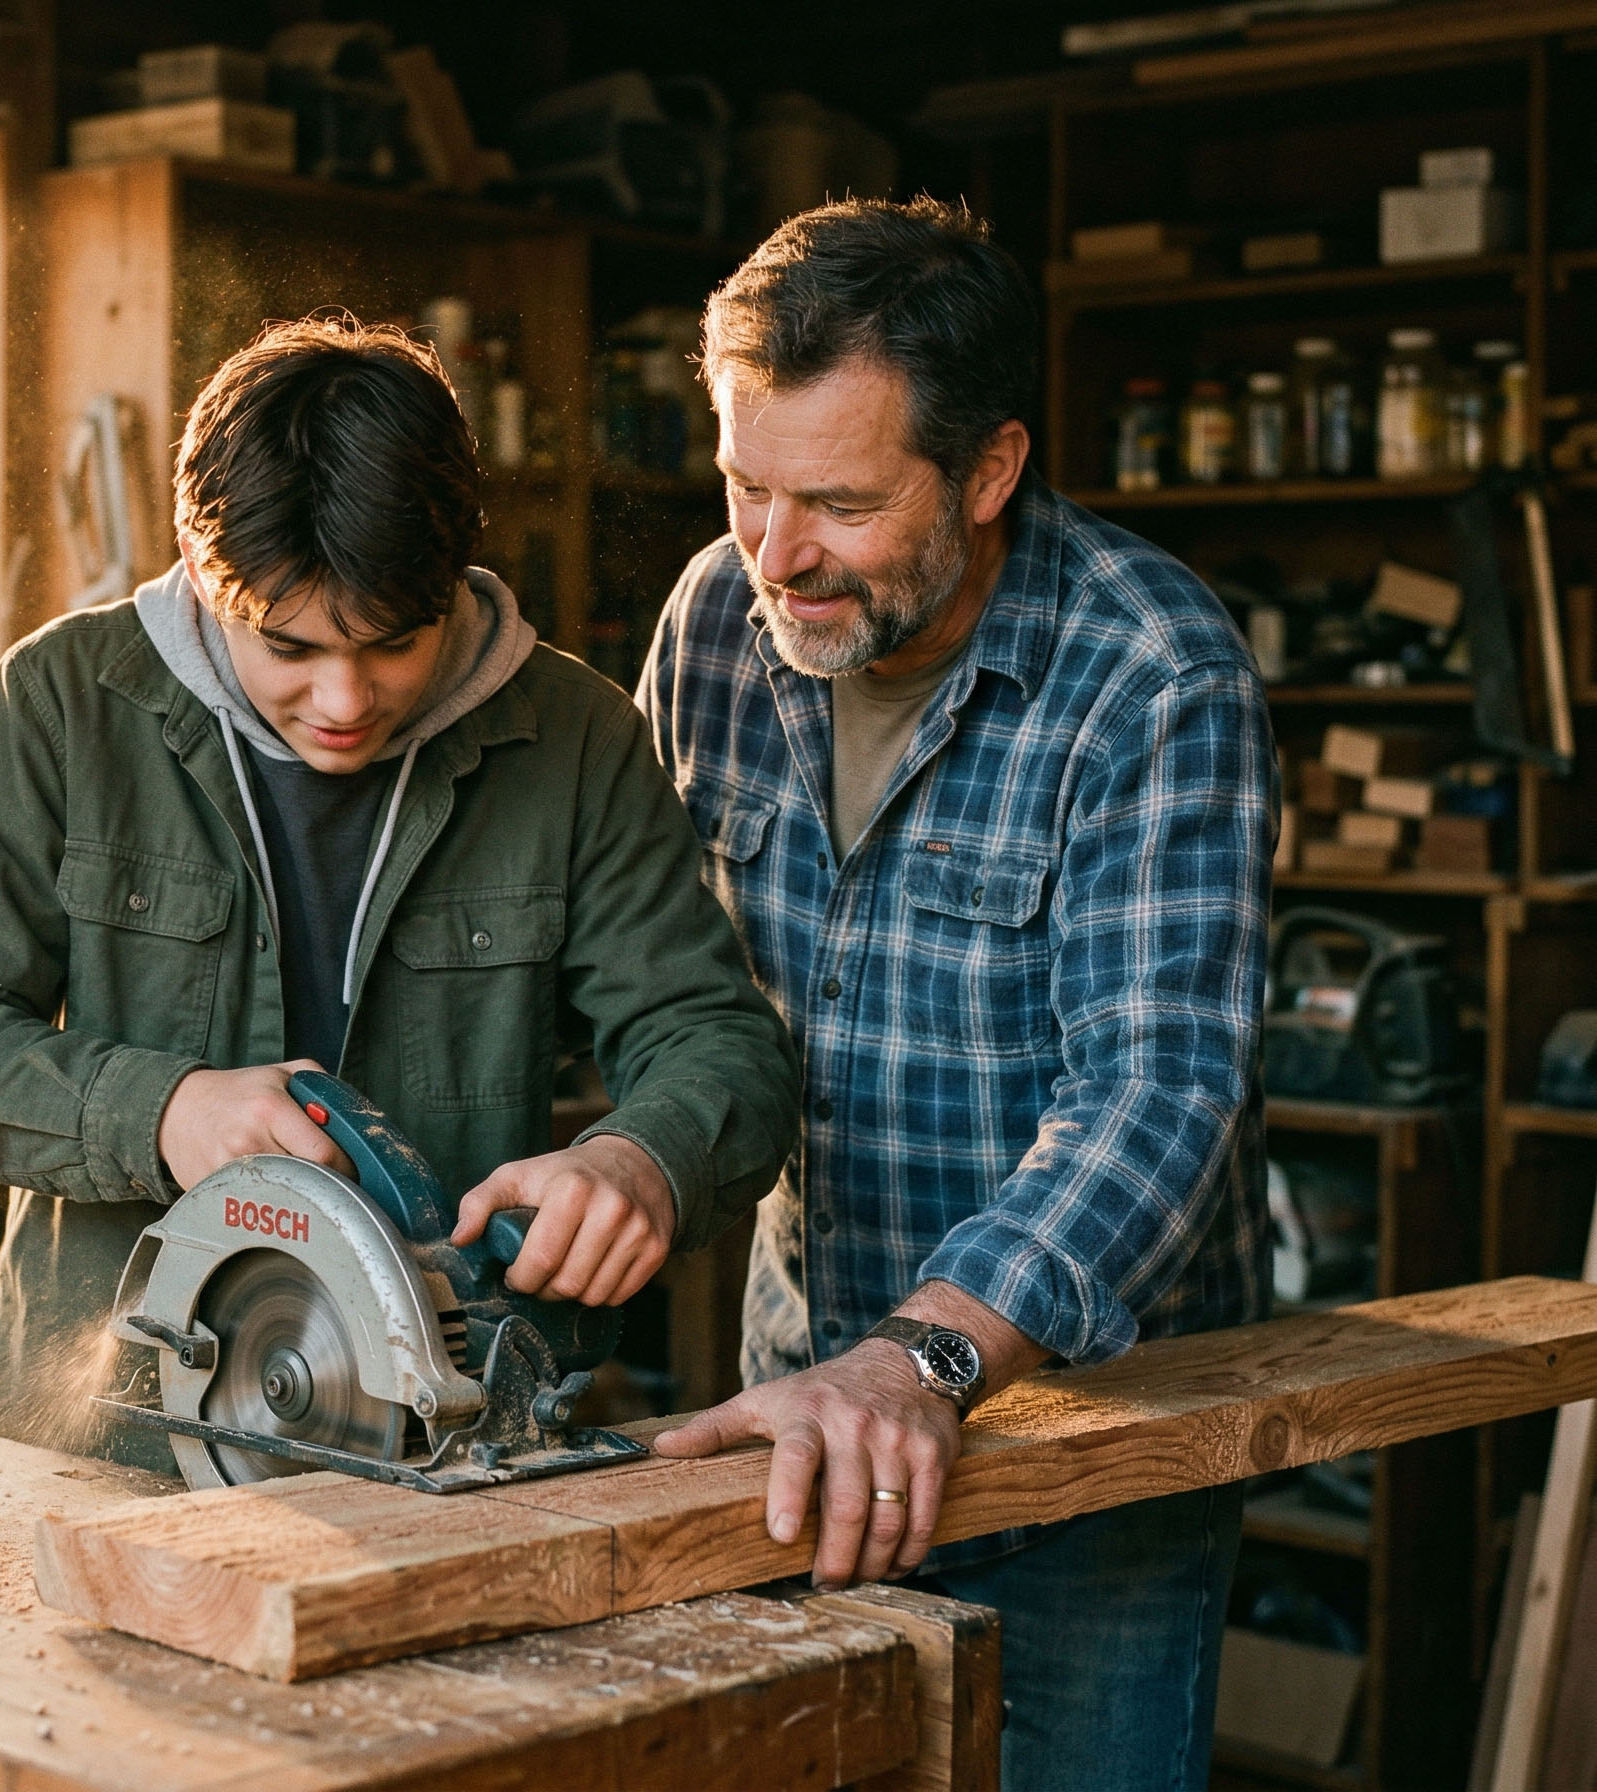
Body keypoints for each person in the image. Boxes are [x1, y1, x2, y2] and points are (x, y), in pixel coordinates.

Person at [0, 316, 800, 1474]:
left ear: (457, 570)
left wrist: (646, 1158)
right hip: (115, 1435)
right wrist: (165, 1111)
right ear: (203, 571)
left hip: (448, 1442)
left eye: (395, 643)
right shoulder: (61, 705)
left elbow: (718, 1042)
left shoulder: (575, 738)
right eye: (289, 646)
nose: (345, 697)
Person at [638, 198, 1276, 1788]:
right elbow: (655, 975)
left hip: (1090, 1449)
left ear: (988, 472)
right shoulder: (719, 616)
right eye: (744, 485)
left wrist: (918, 1361)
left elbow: (1157, 1088)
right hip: (804, 1412)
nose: (777, 557)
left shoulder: (1154, 668)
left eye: (839, 505)